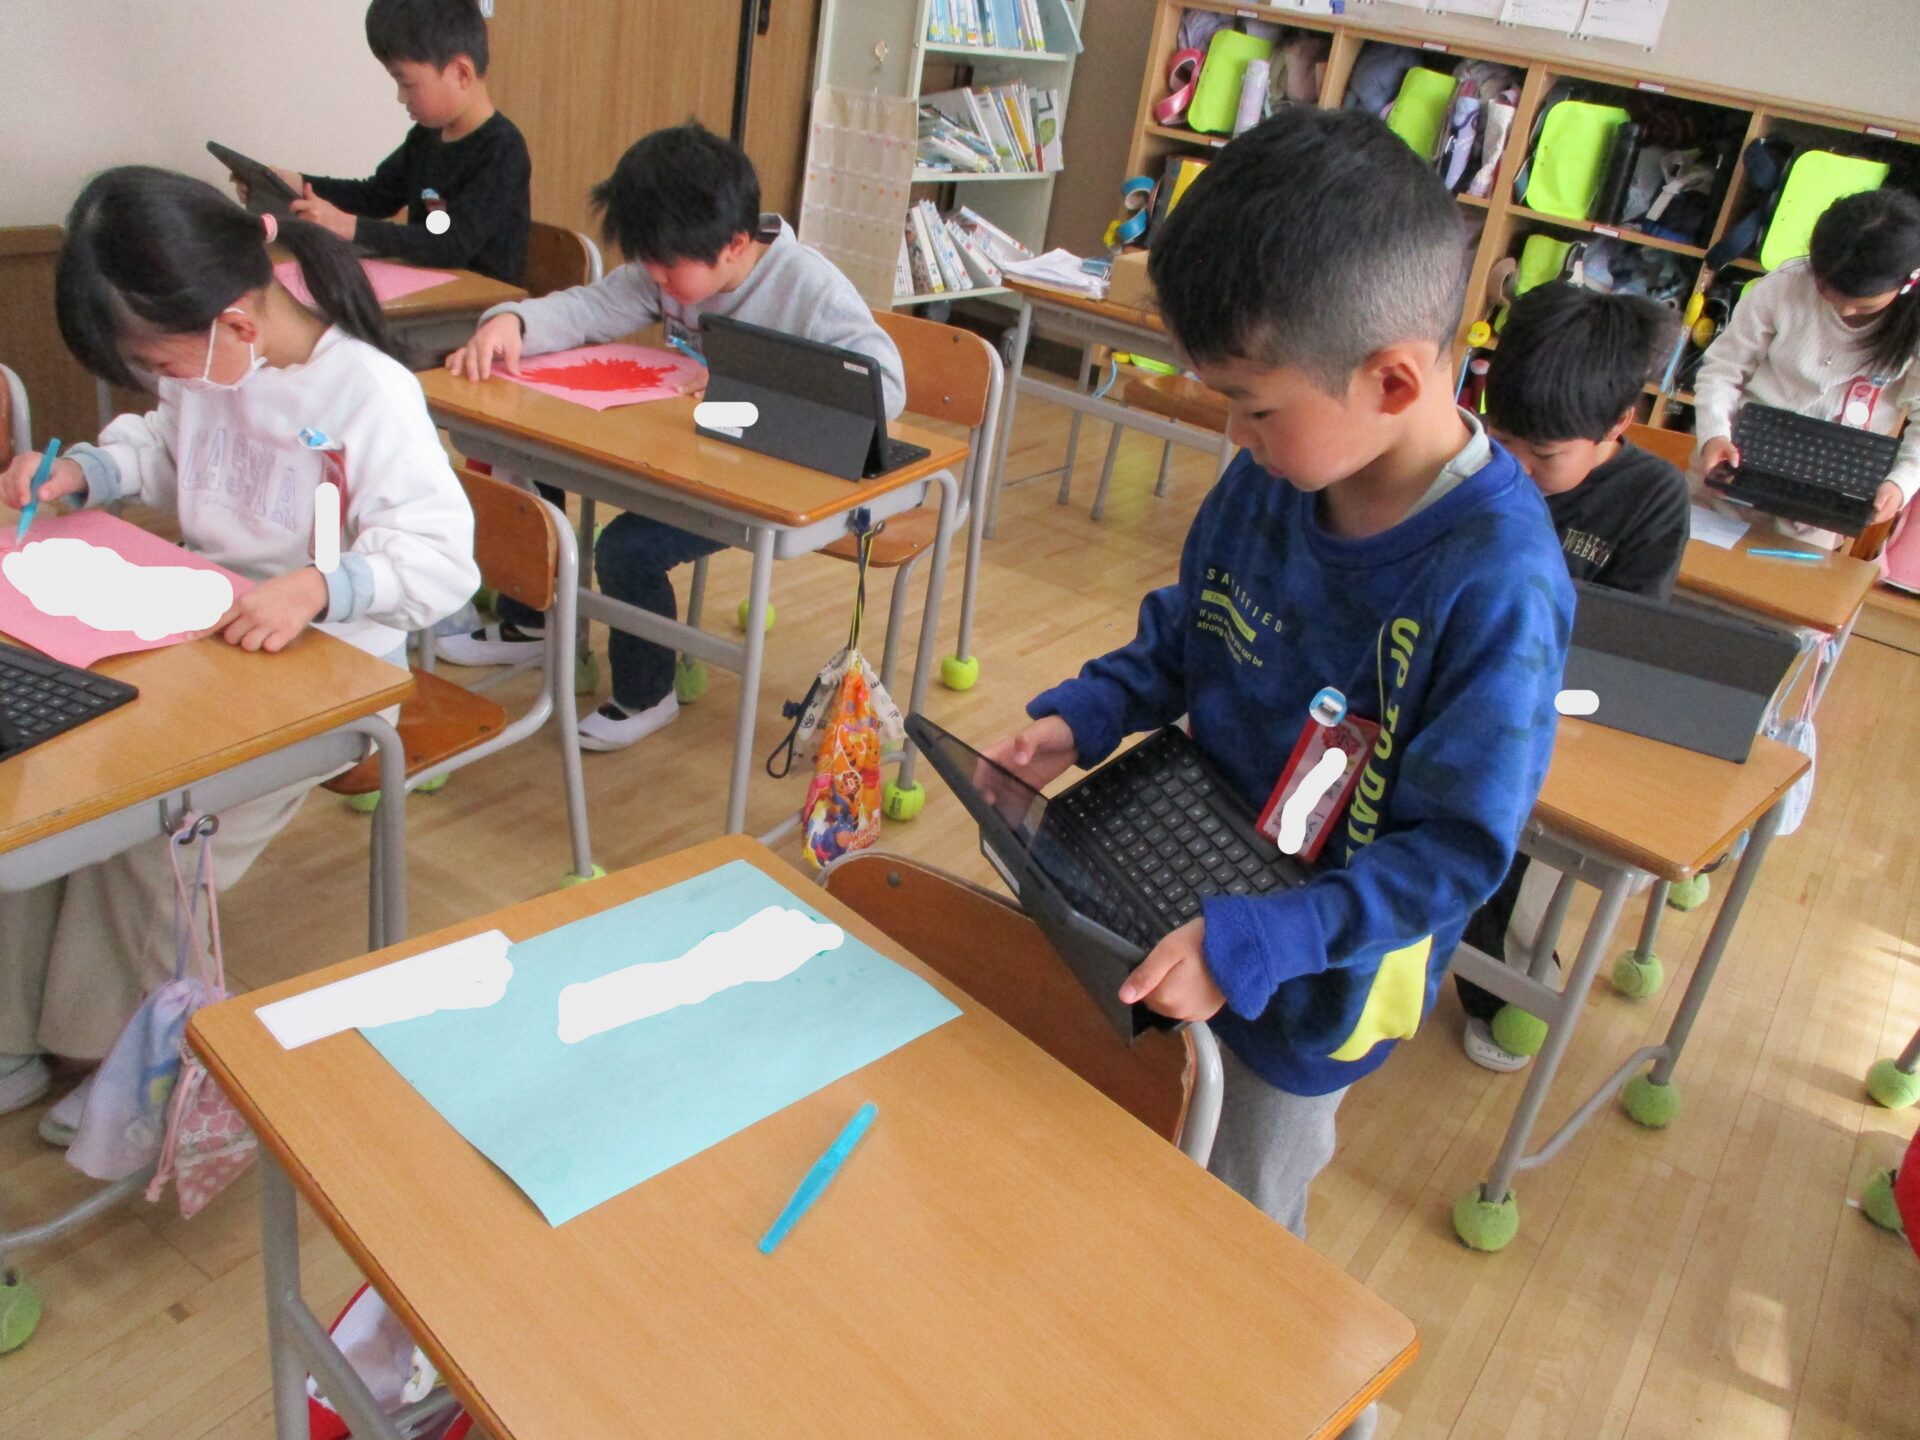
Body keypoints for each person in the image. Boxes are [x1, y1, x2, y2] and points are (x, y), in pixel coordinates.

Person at [983, 109, 1572, 1435]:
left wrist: (1254, 944)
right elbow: (1191, 630)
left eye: (1252, 407)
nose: (1236, 436)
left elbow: (1454, 857)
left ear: (1395, 382)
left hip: (1314, 980)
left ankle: (1327, 1416)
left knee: (1241, 1240)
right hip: (1178, 873)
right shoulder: (1279, 474)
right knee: (1117, 1146)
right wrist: (1086, 718)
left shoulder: (1496, 583)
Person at [0, 168, 477, 1139]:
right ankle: (16, 1028)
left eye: (157, 361)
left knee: (152, 838)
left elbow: (441, 560)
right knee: (48, 785)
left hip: (329, 677)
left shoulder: (366, 392)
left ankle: (133, 1057)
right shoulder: (211, 369)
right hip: (210, 637)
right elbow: (166, 447)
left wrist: (321, 587)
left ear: (235, 322)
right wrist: (88, 472)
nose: (159, 383)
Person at [438, 123, 904, 752]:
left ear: (734, 244)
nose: (653, 279)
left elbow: (886, 389)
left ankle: (646, 693)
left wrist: (751, 394)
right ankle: (537, 624)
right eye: (647, 265)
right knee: (531, 461)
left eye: (665, 269)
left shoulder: (809, 290)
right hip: (697, 460)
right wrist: (513, 323)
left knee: (626, 550)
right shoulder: (671, 263)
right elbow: (589, 309)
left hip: (773, 486)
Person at [1450, 281, 1689, 1071]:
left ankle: (1503, 964)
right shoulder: (1468, 455)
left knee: (1505, 845)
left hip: (1549, 712)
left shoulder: (1651, 498)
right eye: (1501, 438)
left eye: (1544, 455)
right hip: (1449, 682)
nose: (1513, 467)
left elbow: (1618, 647)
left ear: (1620, 422)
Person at [246, 0, 531, 285]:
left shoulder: (502, 149)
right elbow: (375, 196)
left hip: (481, 300)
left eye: (407, 84)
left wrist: (348, 226)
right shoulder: (426, 136)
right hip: (427, 282)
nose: (401, 97)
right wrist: (297, 184)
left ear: (461, 73)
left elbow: (451, 245)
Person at [1695, 187, 1920, 549]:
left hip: (1831, 484)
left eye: (1863, 306)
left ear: (1908, 283)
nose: (1844, 311)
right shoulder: (1786, 284)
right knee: (1692, 560)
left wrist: (1902, 481)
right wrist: (1713, 433)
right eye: (1826, 291)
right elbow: (1724, 367)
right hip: (1738, 453)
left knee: (1784, 579)